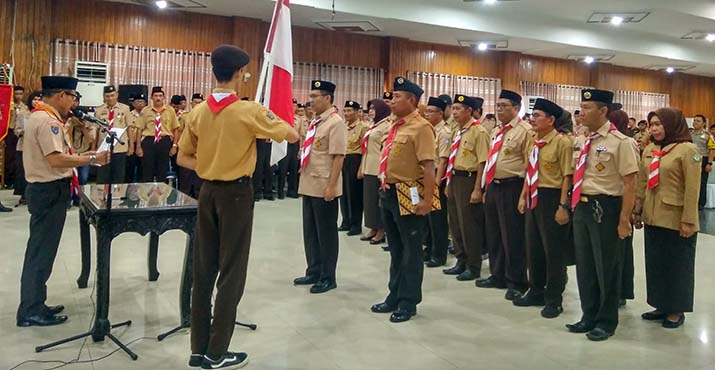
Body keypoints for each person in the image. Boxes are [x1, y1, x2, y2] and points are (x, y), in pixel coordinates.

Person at [178, 45, 299, 369]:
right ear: (239, 74)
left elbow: (182, 157)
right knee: (231, 273)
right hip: (236, 196)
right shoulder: (249, 111)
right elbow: (291, 133)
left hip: (206, 192)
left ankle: (197, 348)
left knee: (203, 270)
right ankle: (217, 352)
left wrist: (209, 164)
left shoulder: (198, 112)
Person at [17, 76, 109, 327]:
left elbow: (62, 156)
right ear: (60, 95)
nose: (73, 102)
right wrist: (91, 160)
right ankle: (30, 310)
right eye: (72, 97)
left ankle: (36, 302)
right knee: (41, 251)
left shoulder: (43, 118)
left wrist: (89, 155)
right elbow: (56, 160)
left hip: (47, 190)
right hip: (48, 191)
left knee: (42, 249)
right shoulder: (47, 122)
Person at [566, 89, 639, 342]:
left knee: (606, 266)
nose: (581, 112)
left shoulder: (622, 142)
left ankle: (606, 321)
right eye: (581, 107)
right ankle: (588, 315)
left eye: (587, 107)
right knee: (585, 265)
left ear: (603, 111)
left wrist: (623, 220)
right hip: (582, 206)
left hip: (606, 208)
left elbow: (630, 184)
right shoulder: (583, 139)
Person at [370, 77, 436, 323]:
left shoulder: (421, 127)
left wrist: (427, 200)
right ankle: (394, 295)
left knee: (411, 250)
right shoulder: (394, 125)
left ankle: (408, 301)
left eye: (397, 97)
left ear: (412, 100)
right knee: (396, 248)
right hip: (389, 190)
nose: (392, 100)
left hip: (411, 190)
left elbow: (429, 167)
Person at [634, 108, 699, 330]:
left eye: (659, 124)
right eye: (652, 124)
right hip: (653, 215)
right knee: (656, 264)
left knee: (677, 265)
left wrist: (689, 220)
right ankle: (661, 304)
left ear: (672, 124)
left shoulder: (687, 150)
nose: (654, 128)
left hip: (676, 218)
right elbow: (643, 181)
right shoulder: (651, 148)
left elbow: (693, 188)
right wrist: (638, 209)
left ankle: (676, 309)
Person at [513, 98, 572, 318]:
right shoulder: (533, 141)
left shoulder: (562, 142)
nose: (532, 119)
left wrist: (563, 206)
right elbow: (530, 171)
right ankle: (535, 290)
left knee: (553, 251)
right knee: (533, 247)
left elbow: (568, 176)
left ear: (551, 119)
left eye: (537, 115)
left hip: (552, 197)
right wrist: (522, 196)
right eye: (532, 115)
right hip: (533, 196)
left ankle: (554, 299)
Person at [293, 80, 347, 294]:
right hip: (309, 183)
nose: (311, 100)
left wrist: (332, 186)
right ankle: (313, 270)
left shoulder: (335, 123)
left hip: (325, 185)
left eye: (315, 96)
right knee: (311, 232)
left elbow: (338, 158)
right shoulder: (316, 121)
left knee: (326, 233)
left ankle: (328, 276)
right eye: (311, 96)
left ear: (327, 98)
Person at [477, 90, 531, 301]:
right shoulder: (496, 130)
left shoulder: (525, 131)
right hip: (494, 186)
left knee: (513, 236)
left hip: (513, 186)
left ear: (516, 108)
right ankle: (497, 274)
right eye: (497, 105)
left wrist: (524, 195)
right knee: (494, 233)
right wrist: (484, 187)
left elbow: (529, 165)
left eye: (503, 106)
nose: (498, 109)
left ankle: (517, 281)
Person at [442, 95, 489, 279]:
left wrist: (478, 189)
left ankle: (473, 265)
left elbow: (482, 163)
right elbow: (452, 159)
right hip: (455, 179)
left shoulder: (479, 132)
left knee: (469, 225)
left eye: (458, 109)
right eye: (453, 109)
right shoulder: (457, 131)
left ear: (469, 111)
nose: (454, 113)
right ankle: (461, 260)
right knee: (455, 222)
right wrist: (448, 183)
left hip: (470, 180)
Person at [423, 97, 452, 268]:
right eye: (426, 111)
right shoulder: (428, 130)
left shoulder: (444, 133)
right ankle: (428, 249)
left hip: (436, 176)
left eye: (431, 111)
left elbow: (443, 160)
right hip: (427, 175)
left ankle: (439, 254)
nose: (427, 114)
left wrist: (436, 182)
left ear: (440, 113)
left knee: (437, 219)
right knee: (427, 217)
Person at [358, 99, 391, 245]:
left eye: (373, 109)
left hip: (378, 167)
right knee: (369, 200)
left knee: (378, 201)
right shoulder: (373, 125)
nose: (370, 111)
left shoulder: (386, 126)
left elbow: (385, 149)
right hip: (368, 166)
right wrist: (362, 167)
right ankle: (372, 227)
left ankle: (381, 230)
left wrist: (383, 170)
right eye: (369, 109)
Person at [136, 86, 179, 183]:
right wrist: (138, 146)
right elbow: (139, 129)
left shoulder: (170, 110)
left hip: (164, 141)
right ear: (151, 97)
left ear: (164, 97)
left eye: (160, 96)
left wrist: (174, 146)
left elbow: (176, 128)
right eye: (155, 96)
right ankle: (146, 196)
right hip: (149, 142)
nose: (158, 98)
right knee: (147, 170)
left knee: (162, 171)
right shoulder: (145, 111)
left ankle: (161, 196)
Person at [338, 100, 368, 235]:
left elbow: (365, 150)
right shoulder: (342, 126)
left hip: (354, 160)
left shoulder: (362, 127)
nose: (346, 113)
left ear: (357, 112)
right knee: (343, 193)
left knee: (354, 194)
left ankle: (356, 225)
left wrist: (362, 167)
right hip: (342, 160)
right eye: (345, 111)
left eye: (349, 111)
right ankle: (346, 221)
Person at [95, 85, 131, 184]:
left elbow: (129, 128)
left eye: (112, 95)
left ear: (117, 95)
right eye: (107, 96)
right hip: (103, 148)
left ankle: (117, 198)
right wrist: (94, 148)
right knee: (103, 177)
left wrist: (131, 146)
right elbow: (96, 131)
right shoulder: (98, 110)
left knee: (118, 177)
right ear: (104, 97)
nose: (110, 98)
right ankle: (101, 198)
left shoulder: (125, 109)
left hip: (120, 147)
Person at [12, 90, 41, 207]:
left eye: (39, 99)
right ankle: (23, 195)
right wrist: (23, 131)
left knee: (36, 172)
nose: (37, 102)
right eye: (35, 99)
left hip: (37, 148)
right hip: (23, 146)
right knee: (23, 172)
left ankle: (34, 195)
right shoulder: (23, 113)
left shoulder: (43, 114)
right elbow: (16, 130)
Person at [277, 103, 303, 199]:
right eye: (291, 105)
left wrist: (300, 149)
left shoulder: (299, 119)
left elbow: (301, 135)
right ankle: (280, 191)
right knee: (283, 168)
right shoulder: (282, 118)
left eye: (295, 106)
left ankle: (292, 191)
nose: (293, 107)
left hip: (295, 144)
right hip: (284, 143)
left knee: (294, 168)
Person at [690, 114, 714, 210]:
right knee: (690, 182)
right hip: (691, 160)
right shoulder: (689, 134)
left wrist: (709, 163)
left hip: (703, 160)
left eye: (698, 121)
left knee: (701, 183)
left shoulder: (708, 136)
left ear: (704, 123)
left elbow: (712, 150)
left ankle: (700, 204)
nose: (695, 122)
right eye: (694, 120)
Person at [126, 92, 147, 183]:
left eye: (142, 101)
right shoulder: (129, 115)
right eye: (138, 101)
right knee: (129, 169)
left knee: (142, 169)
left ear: (145, 103)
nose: (140, 103)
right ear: (133, 103)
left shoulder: (148, 115)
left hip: (144, 144)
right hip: (131, 144)